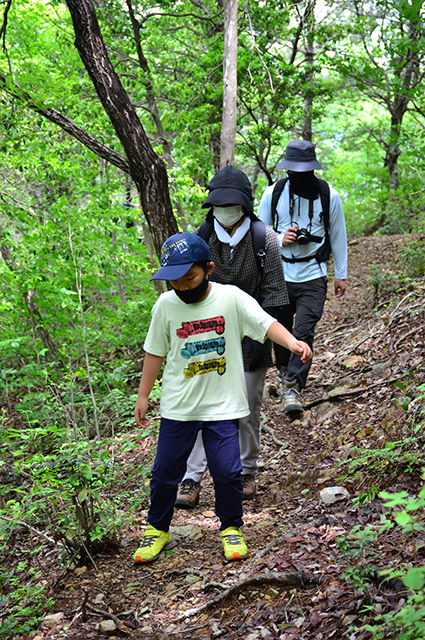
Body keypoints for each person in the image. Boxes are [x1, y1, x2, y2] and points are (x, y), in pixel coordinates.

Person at [133, 232, 312, 563]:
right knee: (164, 472)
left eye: (191, 278)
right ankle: (158, 529)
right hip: (179, 406)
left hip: (223, 404)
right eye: (176, 282)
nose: (184, 287)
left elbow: (265, 323)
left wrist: (291, 343)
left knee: (228, 473)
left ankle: (231, 527)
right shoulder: (165, 306)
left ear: (209, 268)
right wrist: (144, 396)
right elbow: (154, 353)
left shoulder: (231, 299)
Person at [174, 165, 288, 509]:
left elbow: (276, 295)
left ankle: (246, 470)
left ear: (244, 206)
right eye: (219, 206)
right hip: (208, 333)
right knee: (199, 408)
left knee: (246, 407)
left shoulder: (263, 238)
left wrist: (267, 346)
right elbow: (189, 287)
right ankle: (192, 477)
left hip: (253, 332)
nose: (225, 212)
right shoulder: (202, 238)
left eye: (231, 205)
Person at [257, 140, 347, 415]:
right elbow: (259, 233)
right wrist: (279, 238)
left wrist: (340, 275)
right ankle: (286, 375)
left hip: (313, 274)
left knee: (304, 330)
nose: (299, 176)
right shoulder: (273, 194)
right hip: (279, 274)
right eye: (294, 171)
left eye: (304, 171)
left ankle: (293, 386)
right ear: (287, 171)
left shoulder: (328, 195)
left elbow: (338, 236)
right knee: (281, 333)